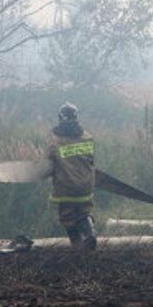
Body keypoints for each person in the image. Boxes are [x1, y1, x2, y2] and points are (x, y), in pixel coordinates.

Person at [48, 103, 97, 250]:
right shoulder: (88, 137)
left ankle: (77, 246)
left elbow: (49, 162)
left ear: (60, 118)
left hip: (66, 187)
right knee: (84, 212)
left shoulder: (55, 141)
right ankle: (89, 235)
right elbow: (91, 160)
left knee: (67, 217)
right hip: (86, 186)